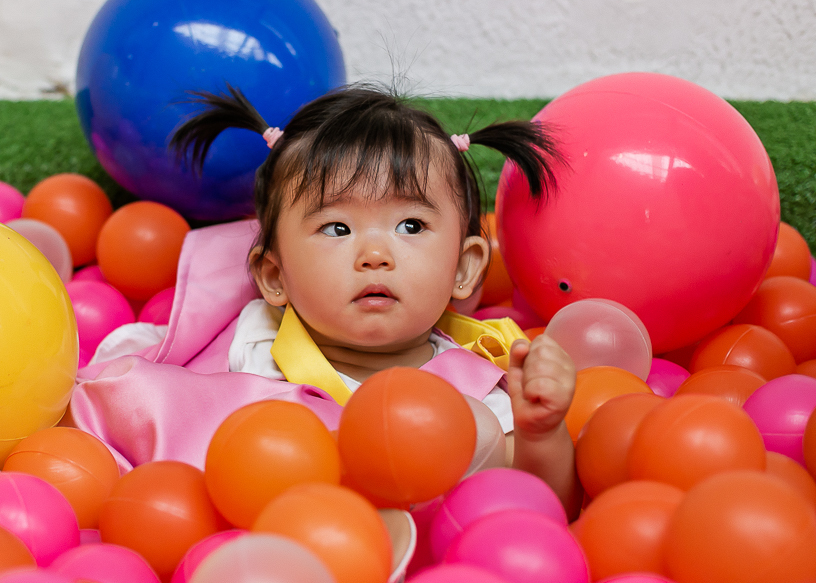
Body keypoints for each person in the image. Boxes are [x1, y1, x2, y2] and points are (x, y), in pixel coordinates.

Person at [71, 84, 579, 511]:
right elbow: (135, 382)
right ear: (275, 275)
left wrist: (541, 435)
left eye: (411, 225)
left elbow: (536, 508)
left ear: (464, 269)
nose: (375, 253)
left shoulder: (478, 392)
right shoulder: (247, 343)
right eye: (337, 227)